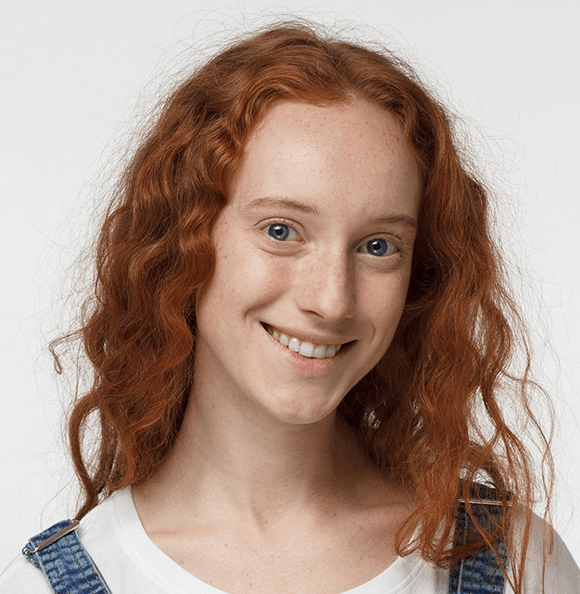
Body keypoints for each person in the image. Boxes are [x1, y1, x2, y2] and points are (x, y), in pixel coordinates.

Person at [1, 20, 578, 594]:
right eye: (281, 230)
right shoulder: (47, 586)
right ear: (183, 241)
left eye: (378, 246)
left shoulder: (517, 566)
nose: (331, 300)